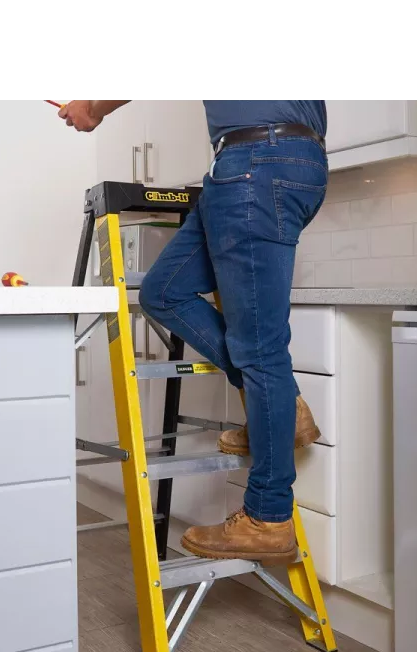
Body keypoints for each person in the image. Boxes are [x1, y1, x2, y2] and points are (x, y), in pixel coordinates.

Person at [60, 98, 327, 565]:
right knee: (163, 292)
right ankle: (287, 411)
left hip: (254, 164)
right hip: (259, 164)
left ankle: (268, 518)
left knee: (260, 352)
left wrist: (93, 105)